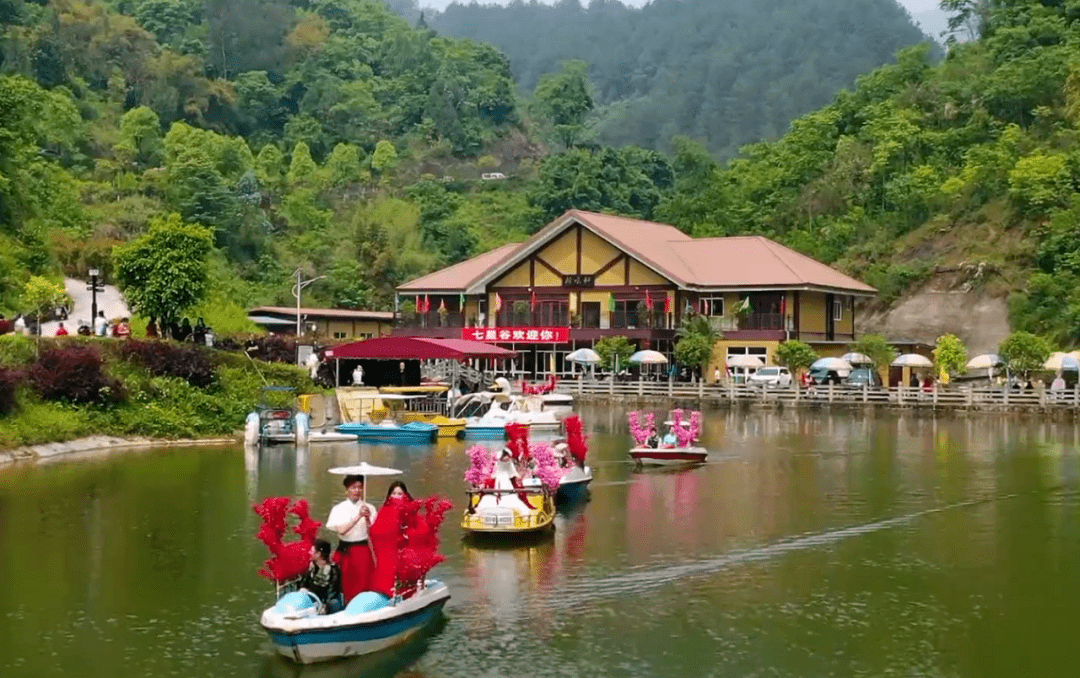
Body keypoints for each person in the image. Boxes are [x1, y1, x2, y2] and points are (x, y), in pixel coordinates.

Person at [325, 475, 378, 605]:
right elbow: (341, 530)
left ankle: (364, 606)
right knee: (344, 583)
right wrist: (357, 516)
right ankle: (343, 606)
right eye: (353, 487)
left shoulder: (369, 508)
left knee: (364, 582)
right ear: (347, 489)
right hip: (345, 550)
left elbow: (374, 532)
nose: (357, 490)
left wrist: (366, 518)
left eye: (359, 487)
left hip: (362, 550)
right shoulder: (339, 509)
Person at [298, 538, 343, 614]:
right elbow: (304, 584)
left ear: (318, 554)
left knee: (334, 603)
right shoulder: (312, 568)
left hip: (328, 602)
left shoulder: (333, 570)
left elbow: (332, 592)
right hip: (315, 600)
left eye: (312, 550)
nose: (309, 552)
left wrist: (324, 606)